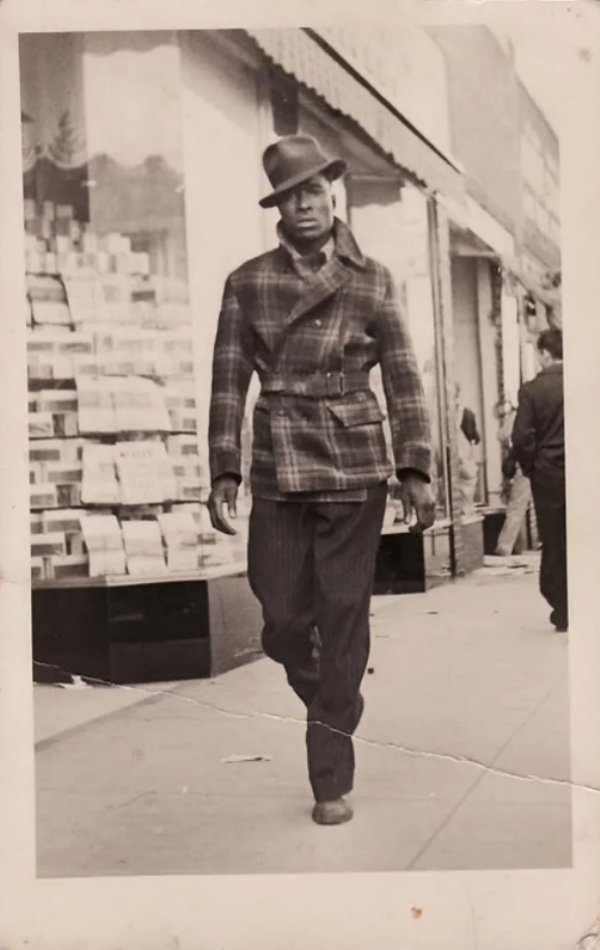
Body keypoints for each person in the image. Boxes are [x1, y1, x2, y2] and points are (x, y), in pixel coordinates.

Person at [207, 134, 434, 825]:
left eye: (312, 191)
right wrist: (224, 465)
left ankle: (328, 774)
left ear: (331, 193)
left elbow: (402, 376)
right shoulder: (247, 281)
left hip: (353, 465)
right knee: (281, 621)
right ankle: (339, 703)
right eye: (289, 196)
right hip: (278, 462)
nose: (303, 205)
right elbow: (227, 379)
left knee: (342, 621)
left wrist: (416, 467)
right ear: (276, 206)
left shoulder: (373, 278)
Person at [511, 328, 567, 632]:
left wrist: (532, 466)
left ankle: (562, 605)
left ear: (545, 353)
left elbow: (521, 437)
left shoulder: (532, 390)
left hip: (548, 474)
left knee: (554, 537)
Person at [494, 400, 532, 557]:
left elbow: (502, 435)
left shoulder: (517, 415)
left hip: (524, 464)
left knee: (516, 506)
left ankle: (505, 546)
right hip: (541, 463)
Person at [455, 383, 481, 514]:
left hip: (451, 466)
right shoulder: (467, 413)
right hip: (466, 465)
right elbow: (475, 439)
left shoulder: (442, 414)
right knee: (466, 505)